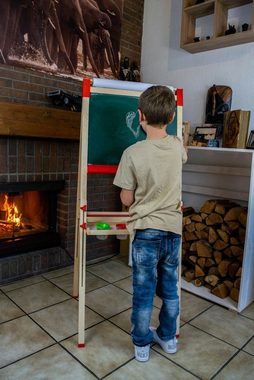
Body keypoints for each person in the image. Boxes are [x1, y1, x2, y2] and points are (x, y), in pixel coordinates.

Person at [113, 85, 187, 362]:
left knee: (143, 291)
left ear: (140, 115)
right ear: (170, 118)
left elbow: (127, 198)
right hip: (173, 231)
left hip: (145, 232)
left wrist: (129, 193)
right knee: (170, 289)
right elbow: (182, 156)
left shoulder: (132, 153)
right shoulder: (178, 146)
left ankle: (142, 344)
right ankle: (168, 338)